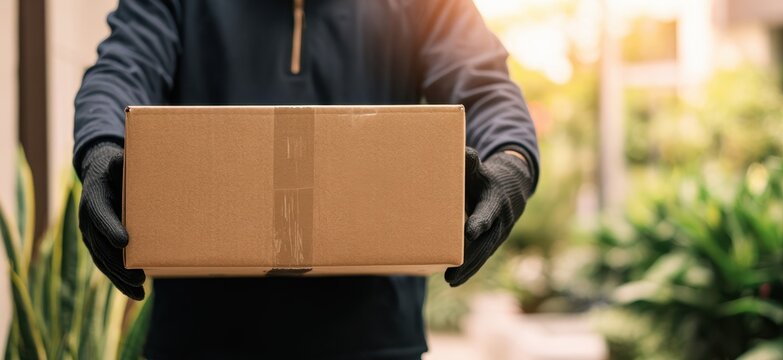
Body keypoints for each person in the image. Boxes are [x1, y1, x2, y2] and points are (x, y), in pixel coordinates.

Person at [74, 1, 540, 359]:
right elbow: (121, 70)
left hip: (372, 337)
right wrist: (101, 148)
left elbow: (484, 87)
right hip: (200, 335)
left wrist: (512, 162)